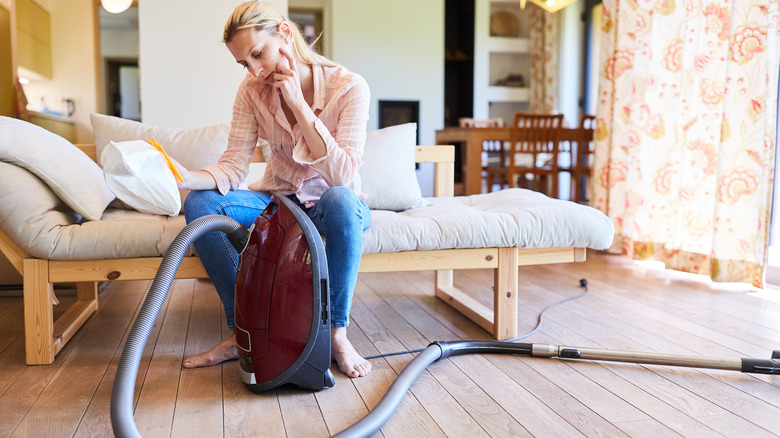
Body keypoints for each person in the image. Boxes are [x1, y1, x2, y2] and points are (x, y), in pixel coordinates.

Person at [173, 1, 372, 378]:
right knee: (201, 203)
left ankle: (336, 334)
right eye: (244, 63)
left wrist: (298, 104)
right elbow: (233, 165)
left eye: (257, 54)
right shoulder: (252, 90)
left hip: (334, 204)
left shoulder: (349, 87)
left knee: (341, 199)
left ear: (283, 34)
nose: (254, 71)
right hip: (280, 202)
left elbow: (342, 177)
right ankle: (242, 329)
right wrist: (179, 175)